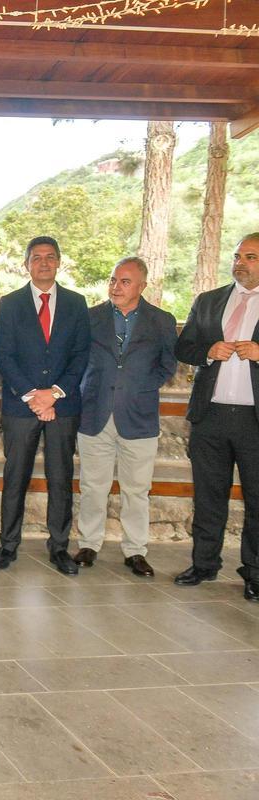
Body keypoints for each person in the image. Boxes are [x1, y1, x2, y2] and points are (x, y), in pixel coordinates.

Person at [0, 236, 91, 575]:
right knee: (15, 477)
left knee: (60, 478)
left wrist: (55, 394)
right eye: (37, 258)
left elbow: (81, 355)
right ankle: (7, 545)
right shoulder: (10, 303)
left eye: (50, 257)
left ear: (59, 262)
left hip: (63, 407)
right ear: (27, 264)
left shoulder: (77, 304)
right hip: (22, 408)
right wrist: (34, 397)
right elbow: (4, 357)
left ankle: (60, 548)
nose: (44, 263)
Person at [74, 257, 177, 578]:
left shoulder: (161, 321)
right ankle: (89, 543)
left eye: (125, 282)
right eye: (113, 280)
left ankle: (135, 551)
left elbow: (167, 365)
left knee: (136, 490)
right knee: (93, 486)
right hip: (94, 414)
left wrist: (140, 388)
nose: (116, 287)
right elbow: (76, 359)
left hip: (139, 417)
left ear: (142, 286)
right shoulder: (90, 318)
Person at [175, 233, 259, 602]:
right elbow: (184, 347)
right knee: (209, 496)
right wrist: (208, 350)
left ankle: (254, 572)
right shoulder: (209, 301)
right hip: (209, 417)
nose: (240, 262)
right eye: (237, 255)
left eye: (251, 257)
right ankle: (204, 563)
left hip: (254, 421)